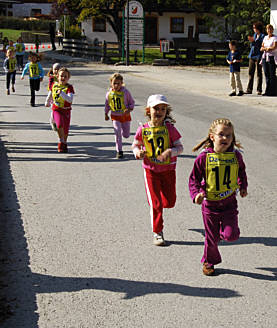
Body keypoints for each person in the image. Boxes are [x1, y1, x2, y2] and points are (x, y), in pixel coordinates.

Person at [189, 118, 248, 276]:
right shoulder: (204, 157)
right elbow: (194, 179)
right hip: (210, 205)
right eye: (221, 134)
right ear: (212, 136)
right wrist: (196, 195)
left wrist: (243, 186)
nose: (225, 138)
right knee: (211, 237)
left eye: (229, 135)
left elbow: (241, 171)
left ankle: (219, 235)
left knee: (231, 235)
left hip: (229, 203)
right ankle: (209, 261)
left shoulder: (236, 155)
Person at [132, 95, 183, 246]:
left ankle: (159, 201)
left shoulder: (170, 129)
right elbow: (135, 144)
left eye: (163, 109)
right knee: (156, 204)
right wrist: (137, 152)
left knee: (170, 202)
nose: (159, 111)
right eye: (156, 108)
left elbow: (180, 147)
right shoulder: (143, 129)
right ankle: (157, 232)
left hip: (168, 170)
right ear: (148, 110)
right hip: (151, 170)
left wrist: (170, 152)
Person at [105, 73, 135, 158]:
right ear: (111, 83)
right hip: (115, 116)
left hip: (125, 117)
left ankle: (122, 133)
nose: (116, 85)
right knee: (117, 132)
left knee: (126, 135)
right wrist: (106, 113)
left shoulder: (126, 92)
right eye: (114, 83)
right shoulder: (109, 94)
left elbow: (132, 103)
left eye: (118, 83)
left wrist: (129, 109)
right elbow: (107, 105)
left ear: (121, 83)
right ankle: (119, 151)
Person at [45, 67, 75, 153]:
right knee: (59, 125)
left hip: (66, 110)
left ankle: (64, 142)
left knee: (65, 129)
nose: (63, 78)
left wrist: (62, 93)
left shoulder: (69, 88)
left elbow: (70, 100)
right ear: (57, 76)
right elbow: (51, 93)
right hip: (56, 109)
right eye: (61, 76)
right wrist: (47, 101)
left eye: (65, 76)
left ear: (68, 78)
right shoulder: (54, 85)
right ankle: (61, 141)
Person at [245, 22, 265, 95]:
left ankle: (259, 89)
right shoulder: (254, 35)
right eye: (253, 28)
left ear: (258, 28)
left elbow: (261, 45)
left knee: (259, 73)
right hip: (252, 55)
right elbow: (252, 45)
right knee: (251, 72)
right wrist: (251, 41)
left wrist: (254, 41)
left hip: (259, 55)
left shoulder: (263, 36)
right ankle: (249, 89)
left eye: (254, 28)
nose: (253, 29)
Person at [260, 24, 277, 96]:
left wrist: (269, 48)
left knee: (271, 74)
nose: (269, 30)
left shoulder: (275, 38)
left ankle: (273, 91)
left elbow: (274, 46)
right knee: (266, 74)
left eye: (270, 29)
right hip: (265, 57)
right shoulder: (265, 37)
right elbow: (262, 47)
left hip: (271, 57)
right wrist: (265, 49)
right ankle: (267, 90)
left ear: (272, 30)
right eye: (267, 29)